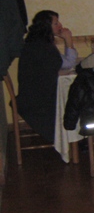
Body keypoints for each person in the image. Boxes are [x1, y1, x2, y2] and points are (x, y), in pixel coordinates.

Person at [16, 10, 78, 142]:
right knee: (74, 99)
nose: (60, 25)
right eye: (56, 23)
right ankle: (74, 139)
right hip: (37, 100)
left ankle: (75, 139)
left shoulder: (38, 42)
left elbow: (58, 65)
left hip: (33, 95)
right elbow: (67, 63)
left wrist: (57, 72)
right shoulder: (42, 46)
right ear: (46, 26)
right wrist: (68, 40)